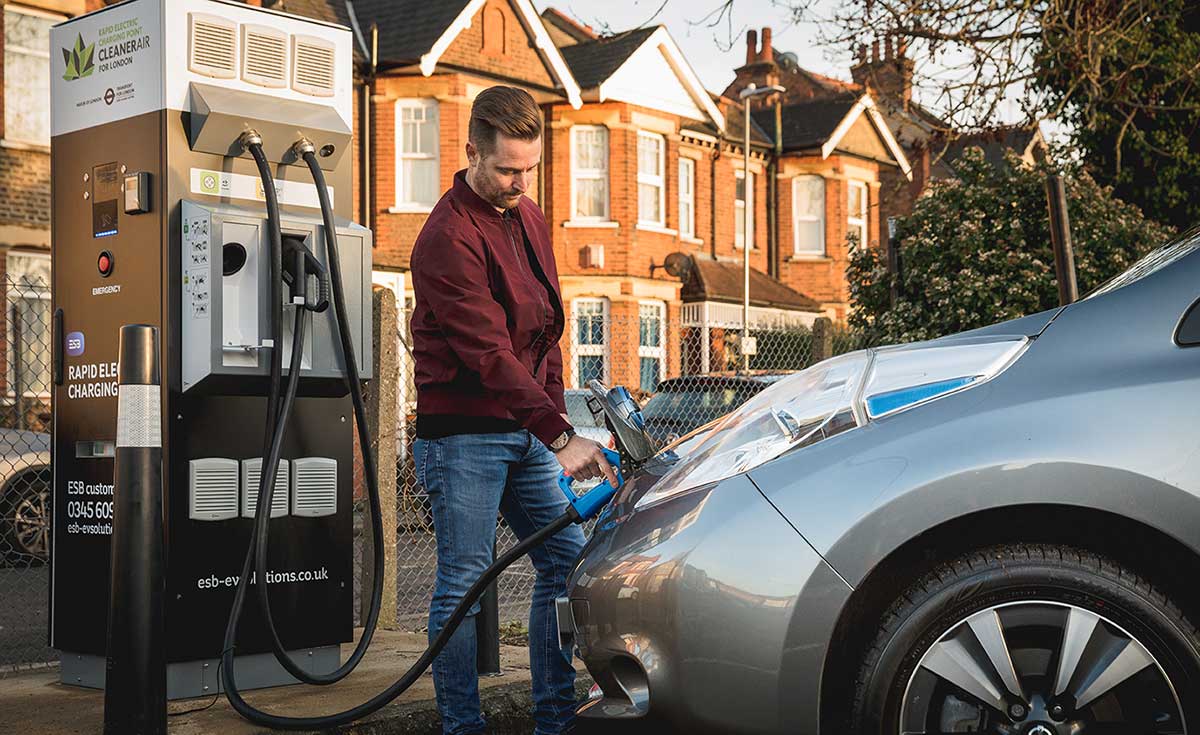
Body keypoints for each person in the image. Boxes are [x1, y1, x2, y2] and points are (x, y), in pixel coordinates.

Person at [409, 85, 618, 735]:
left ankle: (554, 720)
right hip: (463, 435)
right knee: (465, 582)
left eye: (529, 169)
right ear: (471, 150)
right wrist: (559, 436)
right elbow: (489, 353)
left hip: (523, 430)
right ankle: (462, 727)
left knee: (566, 559)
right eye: (506, 169)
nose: (519, 183)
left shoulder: (529, 217)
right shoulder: (446, 236)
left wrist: (554, 423)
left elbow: (544, 334)